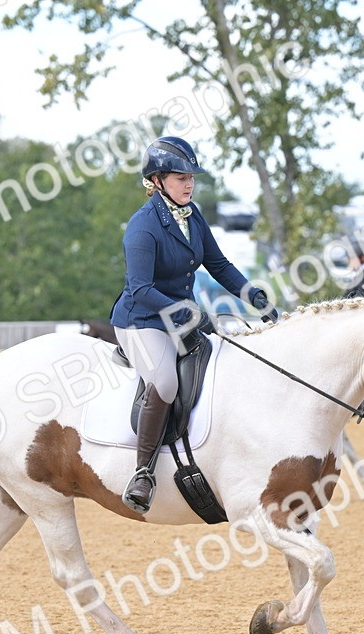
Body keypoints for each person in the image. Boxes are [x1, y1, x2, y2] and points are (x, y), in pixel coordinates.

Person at [110, 136, 280, 514]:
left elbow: (217, 265)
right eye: (179, 177)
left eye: (191, 177)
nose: (188, 184)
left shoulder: (193, 215)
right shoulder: (142, 227)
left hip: (179, 317)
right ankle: (143, 472)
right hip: (142, 320)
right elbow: (141, 289)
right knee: (166, 382)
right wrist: (188, 311)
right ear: (156, 181)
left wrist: (254, 295)